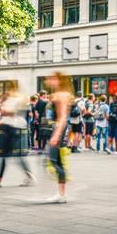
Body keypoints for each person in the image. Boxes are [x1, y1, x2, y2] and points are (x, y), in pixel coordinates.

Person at [0, 92, 35, 188]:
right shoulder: (12, 101)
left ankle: (29, 176)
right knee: (9, 156)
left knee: (8, 156)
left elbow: (11, 114)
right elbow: (6, 117)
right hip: (12, 129)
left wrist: (3, 113)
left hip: (11, 130)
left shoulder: (11, 102)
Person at [43, 72, 72, 203]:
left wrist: (56, 134)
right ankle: (61, 194)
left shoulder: (61, 95)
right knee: (57, 161)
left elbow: (62, 118)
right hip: (58, 129)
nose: (48, 80)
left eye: (51, 78)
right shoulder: (62, 94)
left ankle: (62, 194)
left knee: (54, 161)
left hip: (58, 128)